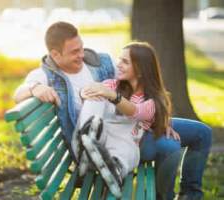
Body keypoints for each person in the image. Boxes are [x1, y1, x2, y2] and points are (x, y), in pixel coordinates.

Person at [13, 21, 213, 200]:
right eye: (74, 52)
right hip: (104, 133)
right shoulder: (45, 75)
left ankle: (190, 194)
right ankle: (164, 195)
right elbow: (18, 93)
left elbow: (138, 93)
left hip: (133, 119)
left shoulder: (100, 61)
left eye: (81, 47)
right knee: (170, 146)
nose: (81, 55)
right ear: (56, 54)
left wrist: (159, 120)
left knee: (202, 132)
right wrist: (34, 88)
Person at [72, 41, 170, 197]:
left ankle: (114, 168)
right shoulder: (111, 84)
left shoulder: (152, 101)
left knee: (126, 149)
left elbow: (136, 112)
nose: (118, 65)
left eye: (125, 62)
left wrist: (112, 96)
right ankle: (88, 133)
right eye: (119, 60)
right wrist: (85, 93)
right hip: (100, 134)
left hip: (123, 143)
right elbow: (91, 92)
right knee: (96, 96)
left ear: (140, 69)